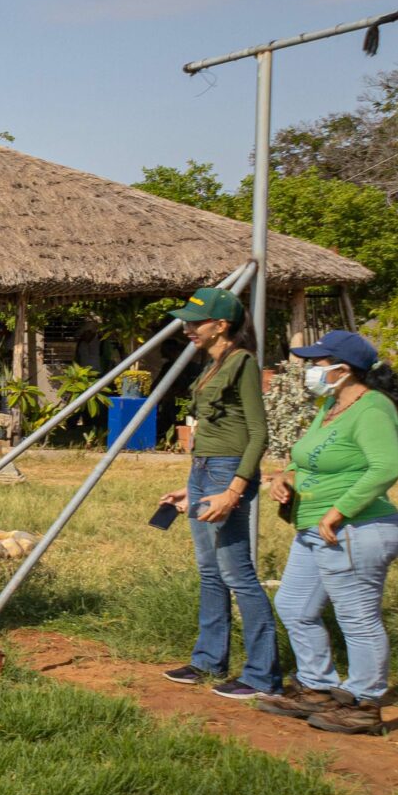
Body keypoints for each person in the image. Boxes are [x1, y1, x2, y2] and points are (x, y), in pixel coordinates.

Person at [257, 330, 398, 736]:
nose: (311, 369)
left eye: (318, 363)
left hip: (356, 528)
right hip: (314, 527)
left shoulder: (373, 409)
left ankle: (364, 702)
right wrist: (285, 477)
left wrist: (338, 511)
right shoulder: (331, 404)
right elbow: (310, 458)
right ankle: (317, 687)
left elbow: (386, 467)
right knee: (294, 606)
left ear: (343, 370)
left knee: (356, 618)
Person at [153, 286, 279, 699]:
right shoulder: (210, 363)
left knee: (237, 573)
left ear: (221, 325)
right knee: (210, 572)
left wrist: (234, 490)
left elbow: (258, 432)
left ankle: (262, 676)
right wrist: (191, 489)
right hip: (203, 469)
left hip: (228, 473)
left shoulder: (241, 362)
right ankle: (208, 660)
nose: (187, 328)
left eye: (195, 322)